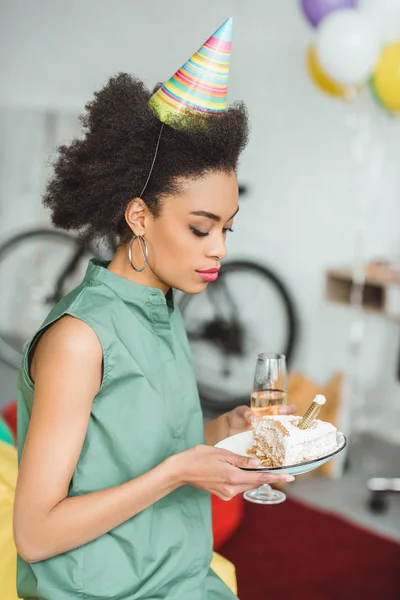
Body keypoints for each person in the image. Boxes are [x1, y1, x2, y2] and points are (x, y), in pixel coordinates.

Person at [13, 17, 296, 600]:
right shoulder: (80, 340)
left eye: (226, 229)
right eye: (200, 228)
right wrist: (178, 474)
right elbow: (35, 536)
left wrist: (225, 432)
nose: (218, 248)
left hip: (177, 576)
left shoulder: (161, 306)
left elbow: (149, 447)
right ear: (140, 217)